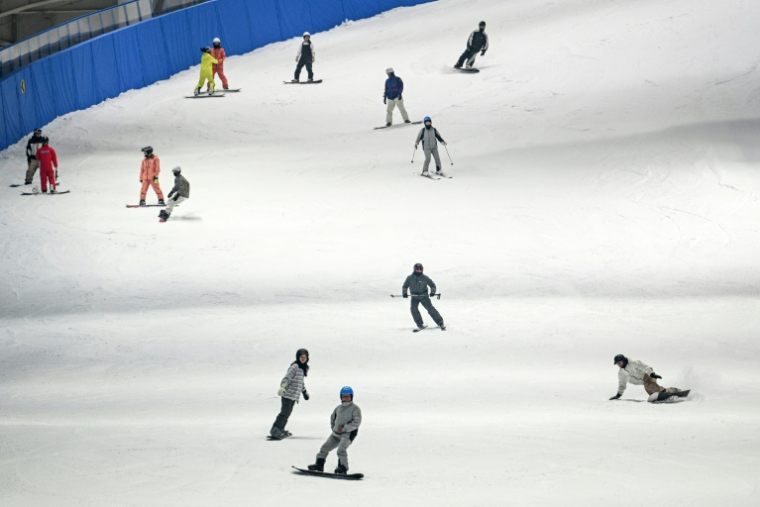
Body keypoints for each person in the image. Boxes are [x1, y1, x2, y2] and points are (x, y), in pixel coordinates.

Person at [308, 386, 362, 475]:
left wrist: (344, 428)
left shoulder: (355, 409)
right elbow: (332, 418)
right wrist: (334, 428)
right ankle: (319, 465)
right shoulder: (338, 408)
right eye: (344, 396)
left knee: (341, 450)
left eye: (348, 396)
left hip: (348, 434)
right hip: (336, 434)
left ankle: (343, 467)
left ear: (351, 397)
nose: (346, 398)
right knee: (324, 448)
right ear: (341, 397)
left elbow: (356, 422)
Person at [269, 348, 310, 439]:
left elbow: (300, 382)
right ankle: (275, 429)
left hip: (293, 396)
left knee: (287, 413)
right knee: (284, 413)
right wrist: (283, 386)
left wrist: (304, 392)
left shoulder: (302, 368)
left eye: (305, 357)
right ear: (298, 357)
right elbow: (287, 378)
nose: (303, 359)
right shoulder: (295, 367)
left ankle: (280, 429)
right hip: (287, 395)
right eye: (301, 357)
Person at [610, 354, 682, 402]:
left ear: (623, 360)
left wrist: (651, 373)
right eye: (617, 364)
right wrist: (618, 394)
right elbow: (622, 384)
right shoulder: (621, 373)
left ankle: (666, 394)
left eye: (619, 362)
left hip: (647, 374)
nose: (618, 365)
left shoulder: (633, 363)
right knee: (652, 392)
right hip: (643, 381)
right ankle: (673, 391)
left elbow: (644, 366)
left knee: (649, 387)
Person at [402, 263, 445, 330]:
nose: (419, 271)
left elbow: (432, 285)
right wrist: (404, 293)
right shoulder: (410, 278)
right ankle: (419, 324)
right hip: (414, 296)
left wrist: (432, 292)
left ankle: (440, 322)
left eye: (420, 269)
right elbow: (405, 286)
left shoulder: (425, 278)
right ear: (414, 269)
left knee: (430, 309)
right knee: (413, 309)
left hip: (424, 296)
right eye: (417, 269)